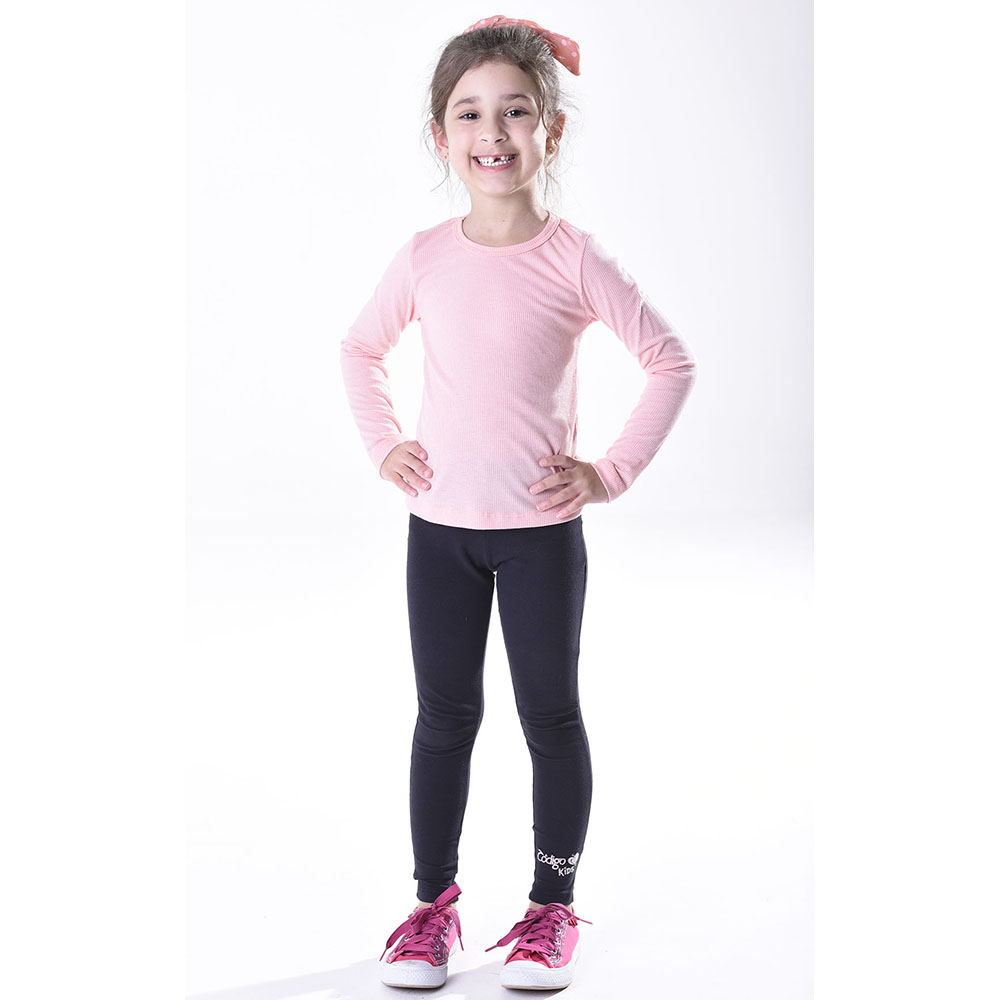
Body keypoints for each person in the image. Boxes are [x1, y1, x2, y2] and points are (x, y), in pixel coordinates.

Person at [340, 14, 699, 990]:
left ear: (551, 130)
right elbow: (360, 349)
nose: (492, 132)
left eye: (515, 111)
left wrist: (608, 472)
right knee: (443, 718)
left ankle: (550, 910)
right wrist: (385, 444)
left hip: (541, 535)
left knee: (549, 717)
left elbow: (669, 360)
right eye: (469, 113)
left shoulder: (574, 257)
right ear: (440, 135)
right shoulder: (424, 256)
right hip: (439, 533)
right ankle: (432, 908)